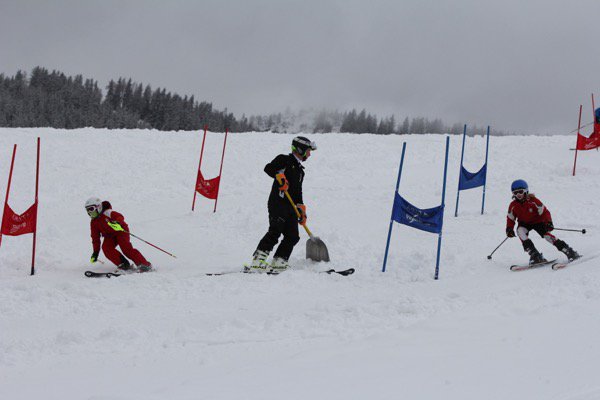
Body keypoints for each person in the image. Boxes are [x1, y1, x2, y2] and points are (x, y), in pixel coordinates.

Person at [246, 136, 317, 273]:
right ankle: (258, 261)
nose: (309, 154)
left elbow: (298, 192)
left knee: (293, 236)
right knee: (275, 232)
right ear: (300, 149)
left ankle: (279, 260)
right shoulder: (284, 160)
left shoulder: (300, 171)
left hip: (291, 207)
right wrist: (279, 176)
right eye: (308, 151)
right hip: (278, 204)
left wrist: (301, 209)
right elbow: (268, 168)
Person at [505, 180, 580, 264]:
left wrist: (548, 222)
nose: (518, 195)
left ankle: (568, 250)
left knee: (547, 236)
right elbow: (510, 218)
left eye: (520, 192)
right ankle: (535, 255)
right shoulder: (513, 205)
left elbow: (545, 212)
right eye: (515, 193)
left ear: (526, 191)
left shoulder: (533, 201)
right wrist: (509, 228)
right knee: (520, 231)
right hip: (524, 223)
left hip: (538, 222)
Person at [85, 197, 153, 272]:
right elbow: (95, 238)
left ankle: (144, 264)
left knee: (126, 248)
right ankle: (123, 264)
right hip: (109, 236)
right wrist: (95, 253)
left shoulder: (108, 212)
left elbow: (120, 216)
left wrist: (117, 222)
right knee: (106, 248)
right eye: (87, 210)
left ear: (99, 206)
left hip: (121, 231)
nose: (89, 212)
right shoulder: (93, 222)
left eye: (91, 209)